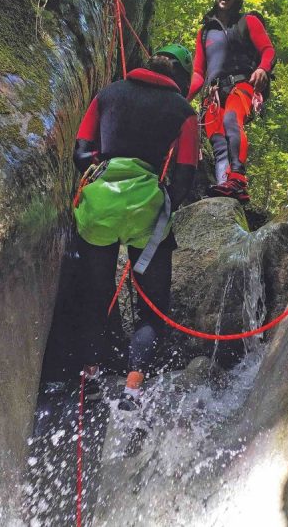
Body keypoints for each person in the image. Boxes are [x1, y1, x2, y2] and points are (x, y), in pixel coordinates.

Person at [72, 45, 198, 411]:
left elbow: (82, 153)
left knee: (96, 296)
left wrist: (104, 169)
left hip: (100, 205)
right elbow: (185, 175)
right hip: (146, 209)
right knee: (152, 305)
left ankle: (90, 380)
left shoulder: (107, 94)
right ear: (179, 77)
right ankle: (133, 386)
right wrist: (162, 202)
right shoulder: (183, 111)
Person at [188, 0, 275, 203]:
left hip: (241, 85)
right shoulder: (205, 32)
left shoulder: (248, 21)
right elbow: (199, 73)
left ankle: (236, 179)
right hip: (213, 96)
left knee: (231, 121)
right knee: (218, 142)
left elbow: (268, 50)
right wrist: (183, 98)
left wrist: (263, 69)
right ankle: (224, 189)